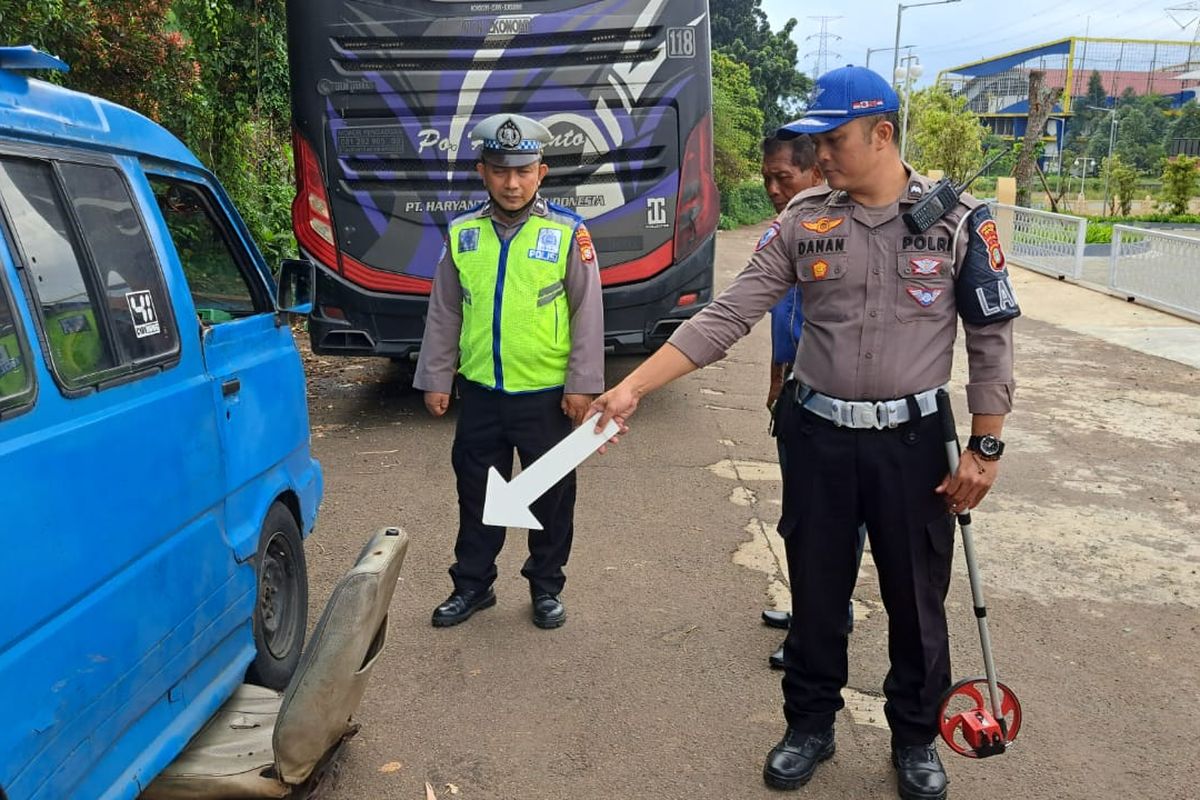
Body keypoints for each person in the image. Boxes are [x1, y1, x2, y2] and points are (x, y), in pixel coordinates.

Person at [589, 65, 1018, 800]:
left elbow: (990, 337)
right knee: (818, 591)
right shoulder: (804, 220)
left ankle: (916, 736)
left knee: (917, 598)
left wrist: (985, 445)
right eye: (817, 140)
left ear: (883, 134)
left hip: (915, 445)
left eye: (836, 139)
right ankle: (810, 725)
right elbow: (727, 317)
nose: (822, 156)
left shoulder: (958, 222)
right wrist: (631, 386)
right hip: (819, 438)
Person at [414, 113, 605, 630]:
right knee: (476, 495)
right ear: (483, 172)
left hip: (546, 398)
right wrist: (437, 376)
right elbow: (446, 309)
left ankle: (546, 587)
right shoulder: (463, 234)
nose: (512, 182)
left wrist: (582, 385)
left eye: (523, 171)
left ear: (541, 173)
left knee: (551, 496)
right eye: (500, 171)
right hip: (481, 395)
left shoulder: (566, 232)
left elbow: (588, 310)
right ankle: (472, 587)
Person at [757, 133, 867, 672]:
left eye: (785, 178)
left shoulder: (836, 233)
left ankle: (827, 615)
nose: (775, 190)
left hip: (839, 404)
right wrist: (776, 379)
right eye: (768, 179)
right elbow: (778, 318)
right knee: (799, 515)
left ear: (816, 174)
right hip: (797, 394)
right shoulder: (787, 233)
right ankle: (810, 606)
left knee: (836, 521)